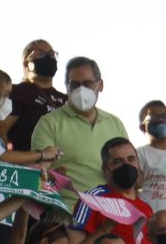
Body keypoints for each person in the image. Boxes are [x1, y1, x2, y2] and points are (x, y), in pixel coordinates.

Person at [31, 56, 129, 194]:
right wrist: (52, 178)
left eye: (87, 83)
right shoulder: (49, 123)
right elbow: (39, 175)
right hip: (69, 210)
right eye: (75, 85)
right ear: (67, 88)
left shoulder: (115, 124)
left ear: (100, 85)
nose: (81, 90)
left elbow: (131, 169)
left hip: (111, 210)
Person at [69, 137, 153, 244]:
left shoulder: (146, 207)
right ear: (105, 169)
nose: (126, 165)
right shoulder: (93, 199)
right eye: (117, 161)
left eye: (131, 159)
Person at [7, 40, 65, 152]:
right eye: (40, 54)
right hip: (27, 165)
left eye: (51, 54)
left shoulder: (66, 99)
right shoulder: (16, 93)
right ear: (26, 63)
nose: (48, 58)